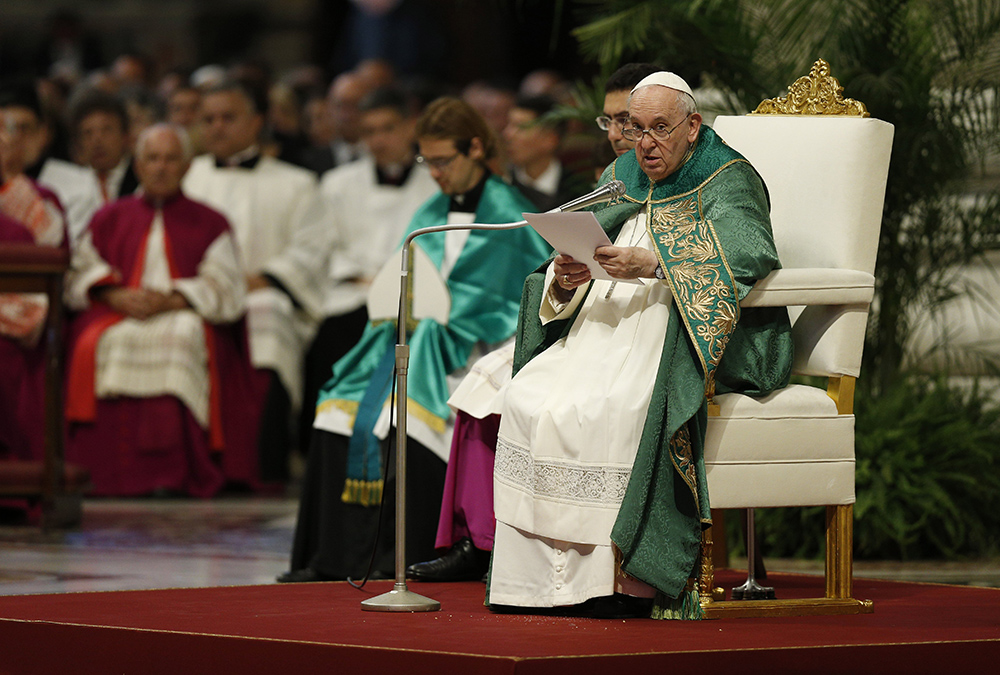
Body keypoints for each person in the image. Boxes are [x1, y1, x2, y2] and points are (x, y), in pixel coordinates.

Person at [486, 72, 793, 619]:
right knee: (529, 395)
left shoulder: (728, 178)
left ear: (693, 126)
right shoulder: (621, 174)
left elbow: (750, 256)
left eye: (659, 129)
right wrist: (564, 276)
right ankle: (546, 584)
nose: (643, 144)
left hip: (673, 330)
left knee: (618, 405)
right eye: (634, 128)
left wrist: (655, 264)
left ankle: (624, 584)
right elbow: (575, 254)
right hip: (600, 325)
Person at [405, 63, 664, 585]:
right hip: (586, 323)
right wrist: (563, 279)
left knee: (569, 403)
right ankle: (479, 540)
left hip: (647, 325)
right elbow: (560, 268)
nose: (618, 135)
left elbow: (721, 262)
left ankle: (594, 560)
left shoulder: (700, 182)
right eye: (610, 122)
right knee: (487, 383)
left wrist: (648, 264)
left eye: (629, 123)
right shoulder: (613, 181)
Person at [278, 97, 550, 583]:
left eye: (444, 161)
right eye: (428, 162)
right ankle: (334, 558)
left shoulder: (510, 214)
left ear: (475, 149)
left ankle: (396, 558)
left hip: (476, 357)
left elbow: (517, 301)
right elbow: (405, 282)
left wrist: (448, 323)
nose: (436, 174)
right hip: (417, 345)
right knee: (335, 407)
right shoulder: (427, 212)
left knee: (405, 418)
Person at [63, 124, 260, 497]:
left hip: (182, 313)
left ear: (187, 167)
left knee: (183, 335)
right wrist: (115, 295)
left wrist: (172, 299)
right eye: (152, 158)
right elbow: (81, 270)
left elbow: (227, 288)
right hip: (118, 311)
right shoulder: (109, 217)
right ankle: (106, 473)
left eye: (171, 159)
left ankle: (170, 474)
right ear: (137, 166)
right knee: (101, 340)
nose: (160, 167)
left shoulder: (210, 222)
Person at [182, 80, 328, 484]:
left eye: (228, 118)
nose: (217, 127)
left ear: (257, 122)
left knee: (269, 317)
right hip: (192, 298)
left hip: (262, 295)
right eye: (208, 119)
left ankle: (260, 463)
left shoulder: (296, 182)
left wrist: (261, 279)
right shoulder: (184, 176)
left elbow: (310, 251)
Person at [284, 87, 438, 448]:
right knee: (329, 341)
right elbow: (325, 245)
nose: (378, 139)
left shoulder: (434, 182)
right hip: (352, 291)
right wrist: (362, 278)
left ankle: (403, 441)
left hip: (412, 295)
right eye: (369, 131)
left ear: (410, 128)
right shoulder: (338, 183)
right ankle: (324, 447)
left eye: (388, 128)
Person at [502, 94, 591, 212]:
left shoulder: (580, 192)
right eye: (509, 125)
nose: (507, 134)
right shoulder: (502, 187)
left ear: (550, 138)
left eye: (521, 127)